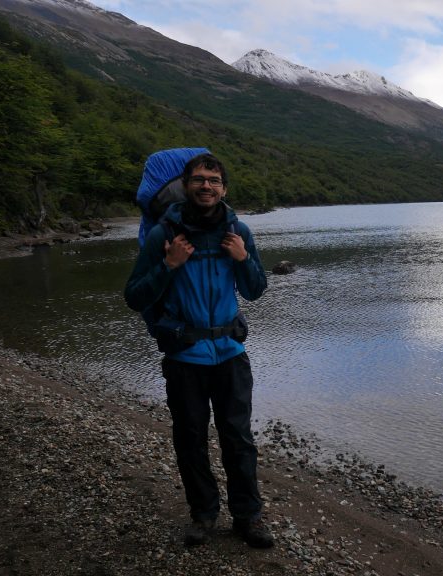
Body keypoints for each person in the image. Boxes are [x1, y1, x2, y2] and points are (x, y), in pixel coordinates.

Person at [124, 153, 273, 548]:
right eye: (198, 179)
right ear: (185, 185)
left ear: (224, 188)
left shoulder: (238, 230)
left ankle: (248, 516)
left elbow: (257, 289)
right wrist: (169, 265)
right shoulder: (164, 235)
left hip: (229, 355)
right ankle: (203, 514)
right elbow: (135, 297)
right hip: (184, 357)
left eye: (214, 179)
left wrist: (242, 259)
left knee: (238, 439)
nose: (206, 185)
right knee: (190, 440)